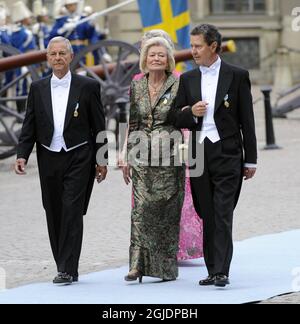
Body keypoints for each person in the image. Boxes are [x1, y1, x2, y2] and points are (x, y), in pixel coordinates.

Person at [168, 24, 257, 287]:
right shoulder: (188, 79)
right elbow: (174, 117)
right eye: (192, 45)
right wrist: (190, 113)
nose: (192, 51)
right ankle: (212, 269)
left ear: (214, 47)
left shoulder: (237, 75)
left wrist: (250, 159)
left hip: (228, 152)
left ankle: (221, 271)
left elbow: (248, 121)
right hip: (197, 153)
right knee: (206, 212)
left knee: (222, 211)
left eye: (197, 46)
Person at [15, 36, 107, 285]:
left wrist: (102, 159)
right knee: (53, 210)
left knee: (72, 210)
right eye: (53, 54)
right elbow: (29, 125)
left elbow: (99, 125)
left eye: (62, 54)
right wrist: (22, 154)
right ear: (47, 59)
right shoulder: (37, 88)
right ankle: (62, 263)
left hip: (79, 156)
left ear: (70, 56)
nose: (57, 58)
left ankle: (68, 268)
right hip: (48, 156)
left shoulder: (87, 86)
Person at [122, 36, 185, 282]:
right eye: (152, 55)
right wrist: (126, 155)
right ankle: (136, 266)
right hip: (140, 156)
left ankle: (165, 268)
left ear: (168, 59)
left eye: (160, 55)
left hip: (170, 156)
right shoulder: (136, 86)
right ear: (144, 59)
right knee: (140, 211)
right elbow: (133, 121)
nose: (156, 58)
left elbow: (185, 118)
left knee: (166, 212)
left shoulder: (179, 84)